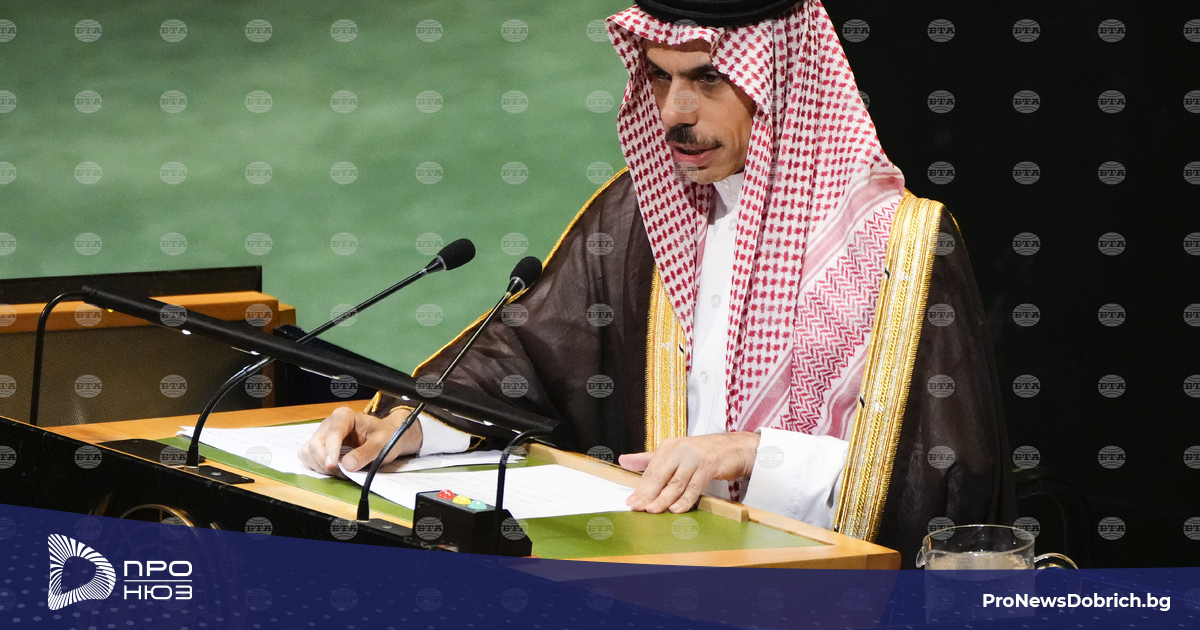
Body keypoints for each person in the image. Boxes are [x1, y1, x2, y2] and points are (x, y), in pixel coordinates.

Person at [299, 0, 1016, 564]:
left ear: (782, 79)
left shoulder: (900, 245)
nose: (674, 113)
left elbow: (952, 477)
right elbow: (529, 362)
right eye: (660, 77)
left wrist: (756, 454)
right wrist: (410, 426)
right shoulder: (642, 212)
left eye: (707, 79)